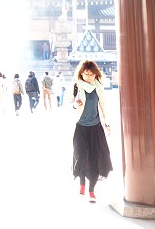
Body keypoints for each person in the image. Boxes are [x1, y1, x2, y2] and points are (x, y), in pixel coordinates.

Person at [70, 60, 112, 203]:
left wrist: (107, 123)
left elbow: (104, 105)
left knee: (95, 159)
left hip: (95, 128)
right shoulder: (76, 86)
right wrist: (76, 104)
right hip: (80, 127)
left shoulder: (98, 87)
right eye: (86, 74)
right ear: (81, 74)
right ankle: (82, 183)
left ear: (96, 74)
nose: (89, 77)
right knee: (80, 156)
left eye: (91, 75)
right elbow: (70, 104)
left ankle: (91, 191)